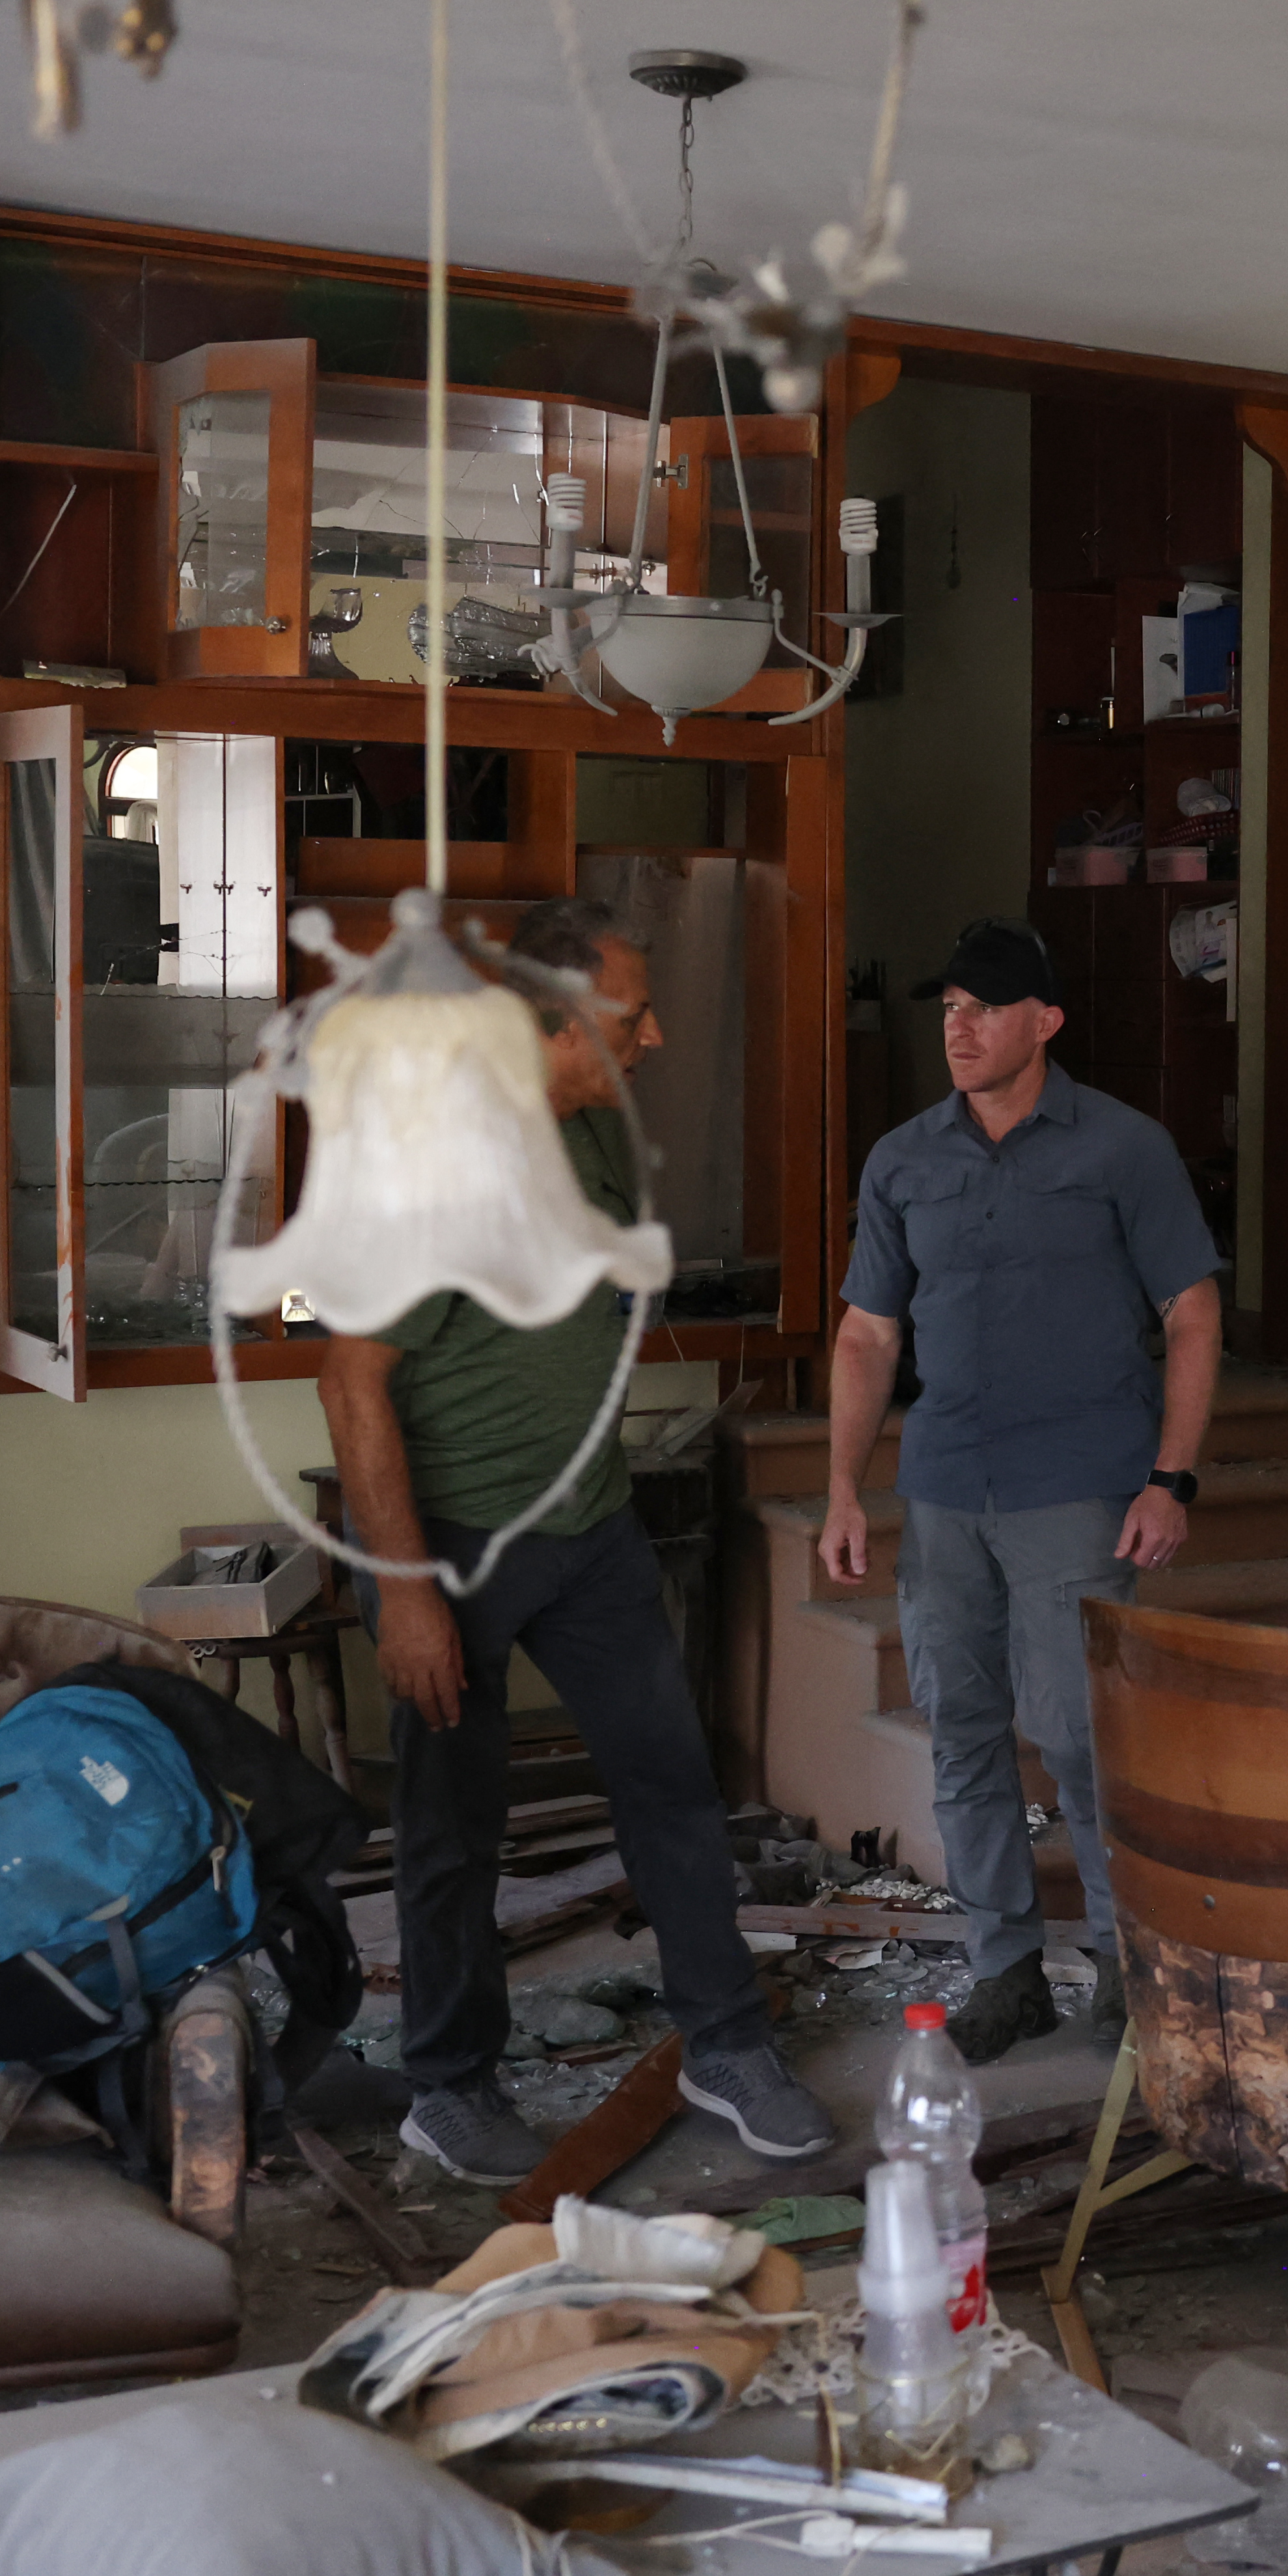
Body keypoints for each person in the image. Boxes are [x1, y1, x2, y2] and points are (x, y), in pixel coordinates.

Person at [322, 898, 837, 2183]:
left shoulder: (596, 1127)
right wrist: (405, 1594)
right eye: (632, 1015)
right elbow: (349, 1379)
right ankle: (448, 2085)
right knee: (454, 1825)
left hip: (588, 1521)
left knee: (671, 1782)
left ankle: (725, 2043)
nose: (654, 1036)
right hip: (452, 1543)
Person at [826, 918, 1224, 2064]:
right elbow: (866, 1334)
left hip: (1078, 1488)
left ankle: (1122, 1966)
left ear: (1044, 1021)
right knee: (961, 1732)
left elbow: (1193, 1315)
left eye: (984, 1007)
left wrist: (1170, 1477)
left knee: (1081, 1739)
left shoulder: (1123, 1148)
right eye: (948, 1007)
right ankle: (1005, 1971)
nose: (957, 1028)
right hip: (945, 1486)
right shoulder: (904, 1158)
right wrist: (843, 1487)